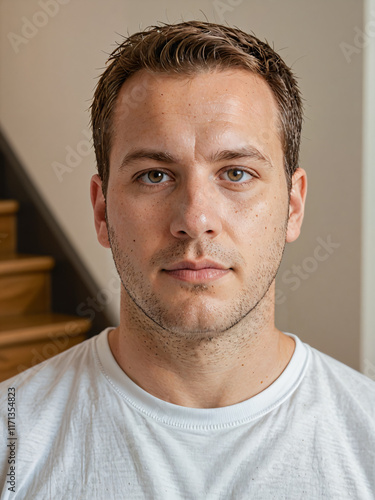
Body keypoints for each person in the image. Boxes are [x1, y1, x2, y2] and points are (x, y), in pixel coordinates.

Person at [1, 20, 374, 499]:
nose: (195, 219)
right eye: (155, 175)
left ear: (293, 206)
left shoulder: (365, 438)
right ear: (101, 211)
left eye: (236, 173)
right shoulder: (12, 432)